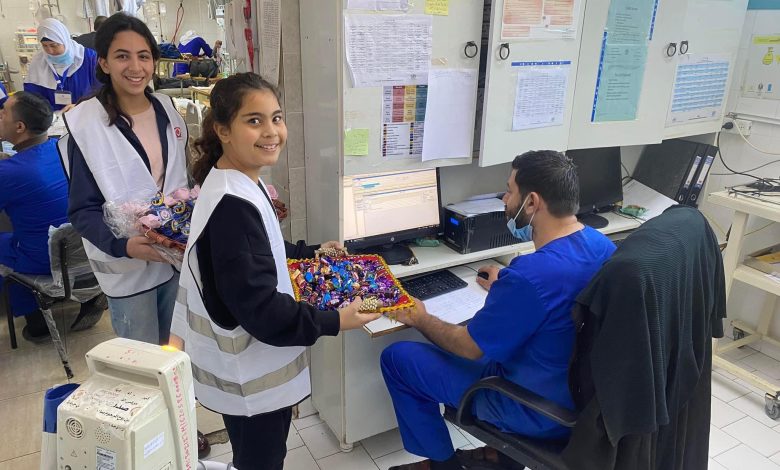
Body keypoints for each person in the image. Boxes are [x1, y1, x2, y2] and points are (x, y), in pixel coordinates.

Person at [168, 73, 381, 470]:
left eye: (276, 118)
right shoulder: (232, 207)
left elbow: (261, 251)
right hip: (250, 380)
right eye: (254, 120)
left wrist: (310, 253)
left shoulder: (236, 181)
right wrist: (337, 320)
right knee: (261, 462)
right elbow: (263, 310)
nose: (271, 132)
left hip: (247, 374)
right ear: (223, 130)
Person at [380, 151, 618, 470]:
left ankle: (443, 466)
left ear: (531, 202)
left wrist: (419, 317)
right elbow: (556, 299)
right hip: (581, 404)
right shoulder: (603, 247)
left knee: (398, 358)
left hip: (530, 408)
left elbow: (469, 347)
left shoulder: (529, 277)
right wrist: (506, 287)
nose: (505, 200)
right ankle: (502, 460)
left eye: (509, 191)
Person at [63, 13, 188, 345]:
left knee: (177, 354)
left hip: (173, 261)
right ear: (104, 63)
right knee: (142, 362)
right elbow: (82, 210)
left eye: (143, 56)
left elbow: (179, 182)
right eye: (122, 56)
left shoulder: (168, 111)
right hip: (127, 270)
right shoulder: (87, 124)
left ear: (154, 62)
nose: (135, 67)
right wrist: (124, 246)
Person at [0, 92, 104, 342]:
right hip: (87, 247)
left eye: (3, 113)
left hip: (44, 257)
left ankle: (35, 319)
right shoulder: (66, 149)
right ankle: (90, 296)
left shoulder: (8, 173)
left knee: (7, 244)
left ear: (20, 127)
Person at [24, 18, 99, 111]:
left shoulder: (88, 58)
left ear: (64, 41)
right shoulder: (38, 62)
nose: (50, 51)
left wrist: (81, 107)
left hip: (85, 113)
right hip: (52, 118)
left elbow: (103, 92)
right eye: (45, 46)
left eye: (54, 45)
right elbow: (32, 98)